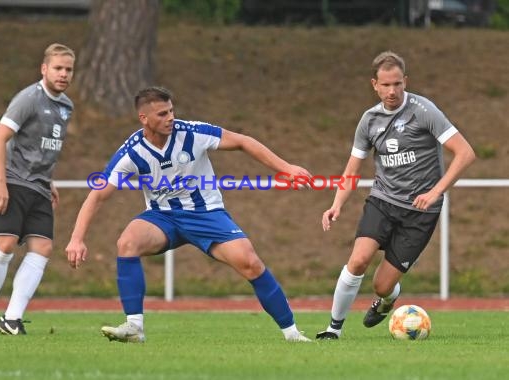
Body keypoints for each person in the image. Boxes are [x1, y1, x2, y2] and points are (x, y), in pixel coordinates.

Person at [65, 86, 312, 343]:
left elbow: (242, 141)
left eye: (171, 110)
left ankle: (291, 333)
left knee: (250, 262)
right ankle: (134, 327)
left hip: (206, 214)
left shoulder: (192, 132)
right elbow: (98, 194)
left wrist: (286, 168)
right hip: (163, 218)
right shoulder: (132, 151)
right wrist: (76, 238)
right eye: (162, 114)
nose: (170, 117)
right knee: (127, 243)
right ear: (144, 119)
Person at [315, 51, 475, 340]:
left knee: (382, 285)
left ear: (406, 82)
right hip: (383, 201)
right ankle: (332, 329)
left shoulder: (424, 111)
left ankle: (387, 300)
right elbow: (352, 169)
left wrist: (435, 191)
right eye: (386, 85)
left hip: (421, 212)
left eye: (398, 84)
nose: (392, 91)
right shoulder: (369, 120)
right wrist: (336, 204)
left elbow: (465, 153)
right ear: (374, 84)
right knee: (359, 259)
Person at [0, 43, 75, 335]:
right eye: (58, 68)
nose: (63, 74)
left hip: (38, 186)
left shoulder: (66, 106)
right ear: (44, 69)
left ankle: (12, 319)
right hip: (11, 180)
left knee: (42, 248)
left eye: (68, 69)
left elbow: (41, 147)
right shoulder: (28, 98)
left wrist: (49, 179)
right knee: (4, 246)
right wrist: (0, 183)